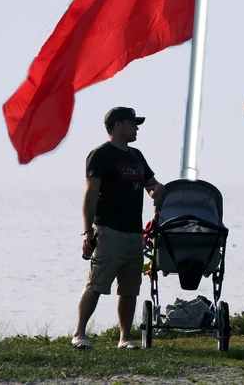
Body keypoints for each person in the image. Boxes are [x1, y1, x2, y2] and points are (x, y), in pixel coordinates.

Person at [70, 107, 165, 350]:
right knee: (96, 284)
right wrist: (87, 232)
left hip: (134, 233)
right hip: (108, 231)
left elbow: (151, 184)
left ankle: (125, 338)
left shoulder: (137, 155)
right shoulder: (100, 155)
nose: (137, 127)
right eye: (133, 123)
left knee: (130, 289)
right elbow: (91, 195)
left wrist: (156, 189)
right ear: (118, 125)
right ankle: (79, 334)